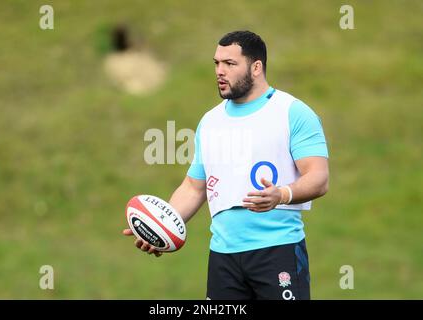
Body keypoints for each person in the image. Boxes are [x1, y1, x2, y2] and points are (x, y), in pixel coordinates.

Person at [123, 30, 329, 300]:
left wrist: (282, 194)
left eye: (230, 64)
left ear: (256, 67)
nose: (220, 71)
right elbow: (194, 187)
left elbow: (318, 177)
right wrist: (162, 226)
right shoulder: (210, 121)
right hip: (224, 258)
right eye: (217, 63)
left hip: (278, 251)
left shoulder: (293, 113)